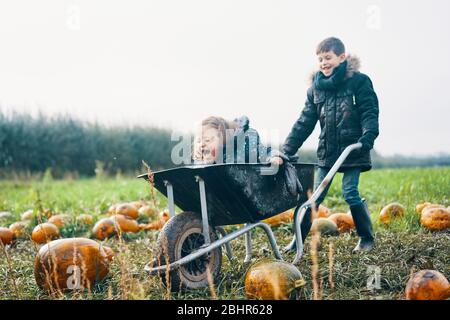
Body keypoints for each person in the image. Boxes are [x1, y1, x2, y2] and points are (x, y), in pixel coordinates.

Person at [271, 37, 379, 252]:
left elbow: (369, 110)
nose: (323, 63)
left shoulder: (359, 82)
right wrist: (287, 151)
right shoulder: (315, 90)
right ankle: (298, 241)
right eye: (320, 59)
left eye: (328, 57)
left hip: (353, 149)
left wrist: (369, 135)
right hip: (327, 152)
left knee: (350, 193)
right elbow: (304, 123)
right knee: (313, 197)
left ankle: (366, 238)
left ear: (342, 57)